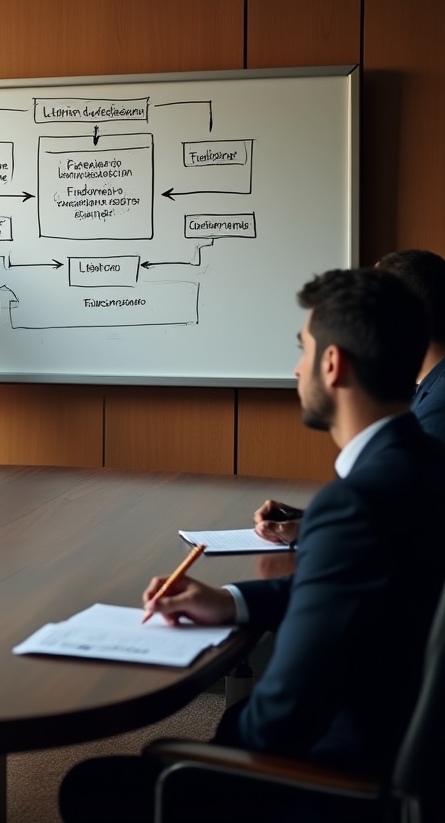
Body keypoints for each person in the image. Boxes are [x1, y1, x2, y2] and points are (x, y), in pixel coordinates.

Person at [58, 268, 445, 823]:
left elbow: (281, 718)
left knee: (95, 786)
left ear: (333, 364)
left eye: (303, 349)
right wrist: (233, 602)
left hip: (342, 780)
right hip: (399, 743)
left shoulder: (353, 505)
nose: (295, 368)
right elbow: (365, 586)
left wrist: (204, 754)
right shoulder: (426, 464)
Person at [255, 248, 445, 544]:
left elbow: (418, 517)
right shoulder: (424, 385)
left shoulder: (440, 401)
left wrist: (313, 530)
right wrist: (312, 517)